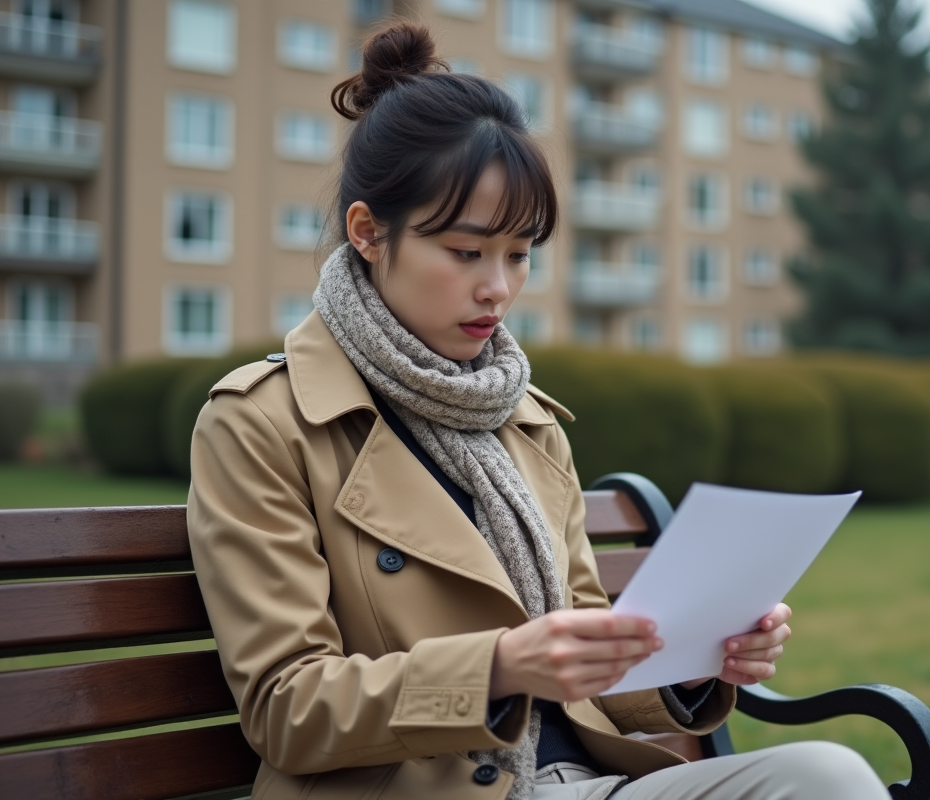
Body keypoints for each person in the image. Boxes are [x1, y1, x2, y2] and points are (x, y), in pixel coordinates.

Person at [186, 21, 891, 800]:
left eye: (519, 254)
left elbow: (590, 661)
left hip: (575, 781)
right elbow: (287, 708)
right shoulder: (262, 422)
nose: (499, 287)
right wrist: (495, 669)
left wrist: (696, 660)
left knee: (830, 775)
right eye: (466, 252)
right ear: (368, 233)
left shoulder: (526, 419)